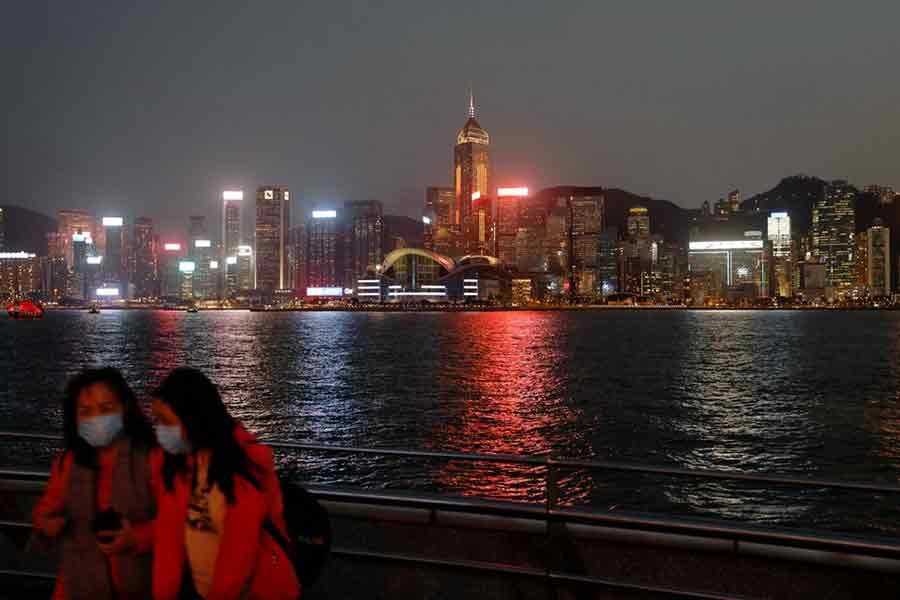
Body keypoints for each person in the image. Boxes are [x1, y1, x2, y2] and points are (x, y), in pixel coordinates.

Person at [149, 367, 300, 600]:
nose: (159, 430)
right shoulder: (176, 466)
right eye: (156, 421)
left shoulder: (246, 467)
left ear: (193, 418)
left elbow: (238, 557)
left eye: (166, 422)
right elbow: (168, 538)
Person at [32, 367, 158, 600]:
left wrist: (137, 537)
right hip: (77, 589)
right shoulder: (67, 464)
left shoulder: (153, 460)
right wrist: (46, 524)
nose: (96, 418)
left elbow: (178, 524)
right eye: (85, 411)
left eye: (106, 409)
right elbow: (45, 511)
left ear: (126, 408)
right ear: (74, 417)